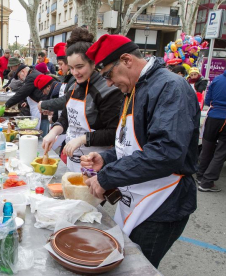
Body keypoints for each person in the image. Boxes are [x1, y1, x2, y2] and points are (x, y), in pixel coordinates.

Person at [81, 34, 200, 268]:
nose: (108, 83)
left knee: (134, 268)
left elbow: (165, 153)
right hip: (136, 197)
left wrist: (107, 177)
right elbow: (132, 145)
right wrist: (105, 159)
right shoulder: (134, 89)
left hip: (162, 203)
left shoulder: (169, 87)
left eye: (107, 75)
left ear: (126, 60)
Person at [41, 28, 122, 172]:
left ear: (93, 63)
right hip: (72, 161)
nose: (75, 73)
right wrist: (53, 132)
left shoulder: (106, 90)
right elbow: (66, 117)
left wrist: (82, 139)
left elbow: (113, 132)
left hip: (94, 163)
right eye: (71, 68)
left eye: (79, 67)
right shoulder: (73, 86)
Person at [196, 69, 226, 192]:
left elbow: (208, 99)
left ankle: (200, 175)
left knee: (207, 147)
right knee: (221, 152)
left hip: (213, 116)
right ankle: (207, 182)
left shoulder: (217, 79)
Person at [5, 65, 51, 133]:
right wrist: (26, 102)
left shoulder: (31, 76)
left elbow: (22, 93)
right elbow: (32, 91)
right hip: (39, 106)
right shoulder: (33, 74)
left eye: (19, 76)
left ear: (23, 71)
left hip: (41, 108)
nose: (20, 79)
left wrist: (6, 104)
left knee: (41, 132)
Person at [39, 42, 76, 123]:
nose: (59, 68)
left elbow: (66, 101)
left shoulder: (74, 80)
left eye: (61, 64)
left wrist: (44, 104)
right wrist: (53, 112)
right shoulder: (66, 78)